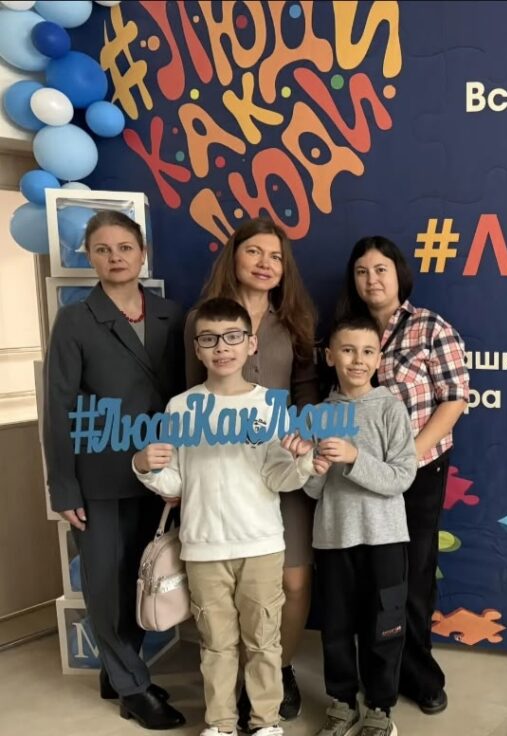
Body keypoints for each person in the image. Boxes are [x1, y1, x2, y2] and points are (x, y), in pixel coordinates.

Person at [133, 297, 316, 736]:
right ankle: (220, 723)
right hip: (203, 547)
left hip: (261, 545)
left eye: (232, 337)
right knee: (215, 644)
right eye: (210, 339)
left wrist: (304, 462)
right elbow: (176, 484)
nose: (222, 347)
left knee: (264, 642)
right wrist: (145, 466)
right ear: (197, 349)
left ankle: (266, 721)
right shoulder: (180, 407)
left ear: (251, 344)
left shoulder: (271, 406)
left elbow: (278, 476)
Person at [43, 210, 187, 729]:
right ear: (89, 257)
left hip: (158, 474)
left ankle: (118, 671)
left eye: (125, 247)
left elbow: (185, 398)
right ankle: (133, 688)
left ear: (142, 253)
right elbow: (58, 408)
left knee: (141, 578)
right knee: (105, 582)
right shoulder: (75, 320)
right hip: (99, 475)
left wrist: (182, 475)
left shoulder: (172, 314)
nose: (115, 257)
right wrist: (63, 487)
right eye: (102, 249)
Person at [184, 217, 318, 721]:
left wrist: (302, 437)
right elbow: (188, 394)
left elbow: (305, 389)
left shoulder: (295, 320)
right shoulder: (202, 318)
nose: (265, 264)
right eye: (255, 252)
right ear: (234, 257)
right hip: (226, 474)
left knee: (294, 581)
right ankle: (238, 681)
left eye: (276, 257)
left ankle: (278, 669)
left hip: (283, 462)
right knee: (228, 589)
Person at [336, 236, 470, 715]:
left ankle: (419, 675)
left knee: (411, 577)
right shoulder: (346, 331)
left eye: (381, 270)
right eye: (362, 271)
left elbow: (454, 399)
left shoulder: (430, 327)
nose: (371, 280)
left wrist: (408, 458)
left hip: (419, 468)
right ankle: (375, 678)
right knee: (370, 577)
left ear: (399, 275)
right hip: (356, 474)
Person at [305, 315, 418, 736]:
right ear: (330, 356)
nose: (358, 360)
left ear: (378, 358)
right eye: (348, 350)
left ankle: (380, 708)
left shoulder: (390, 408)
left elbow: (401, 477)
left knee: (385, 625)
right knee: (335, 626)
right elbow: (313, 490)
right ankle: (341, 703)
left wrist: (354, 457)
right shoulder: (317, 415)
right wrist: (314, 467)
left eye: (368, 351)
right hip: (334, 538)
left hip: (385, 538)